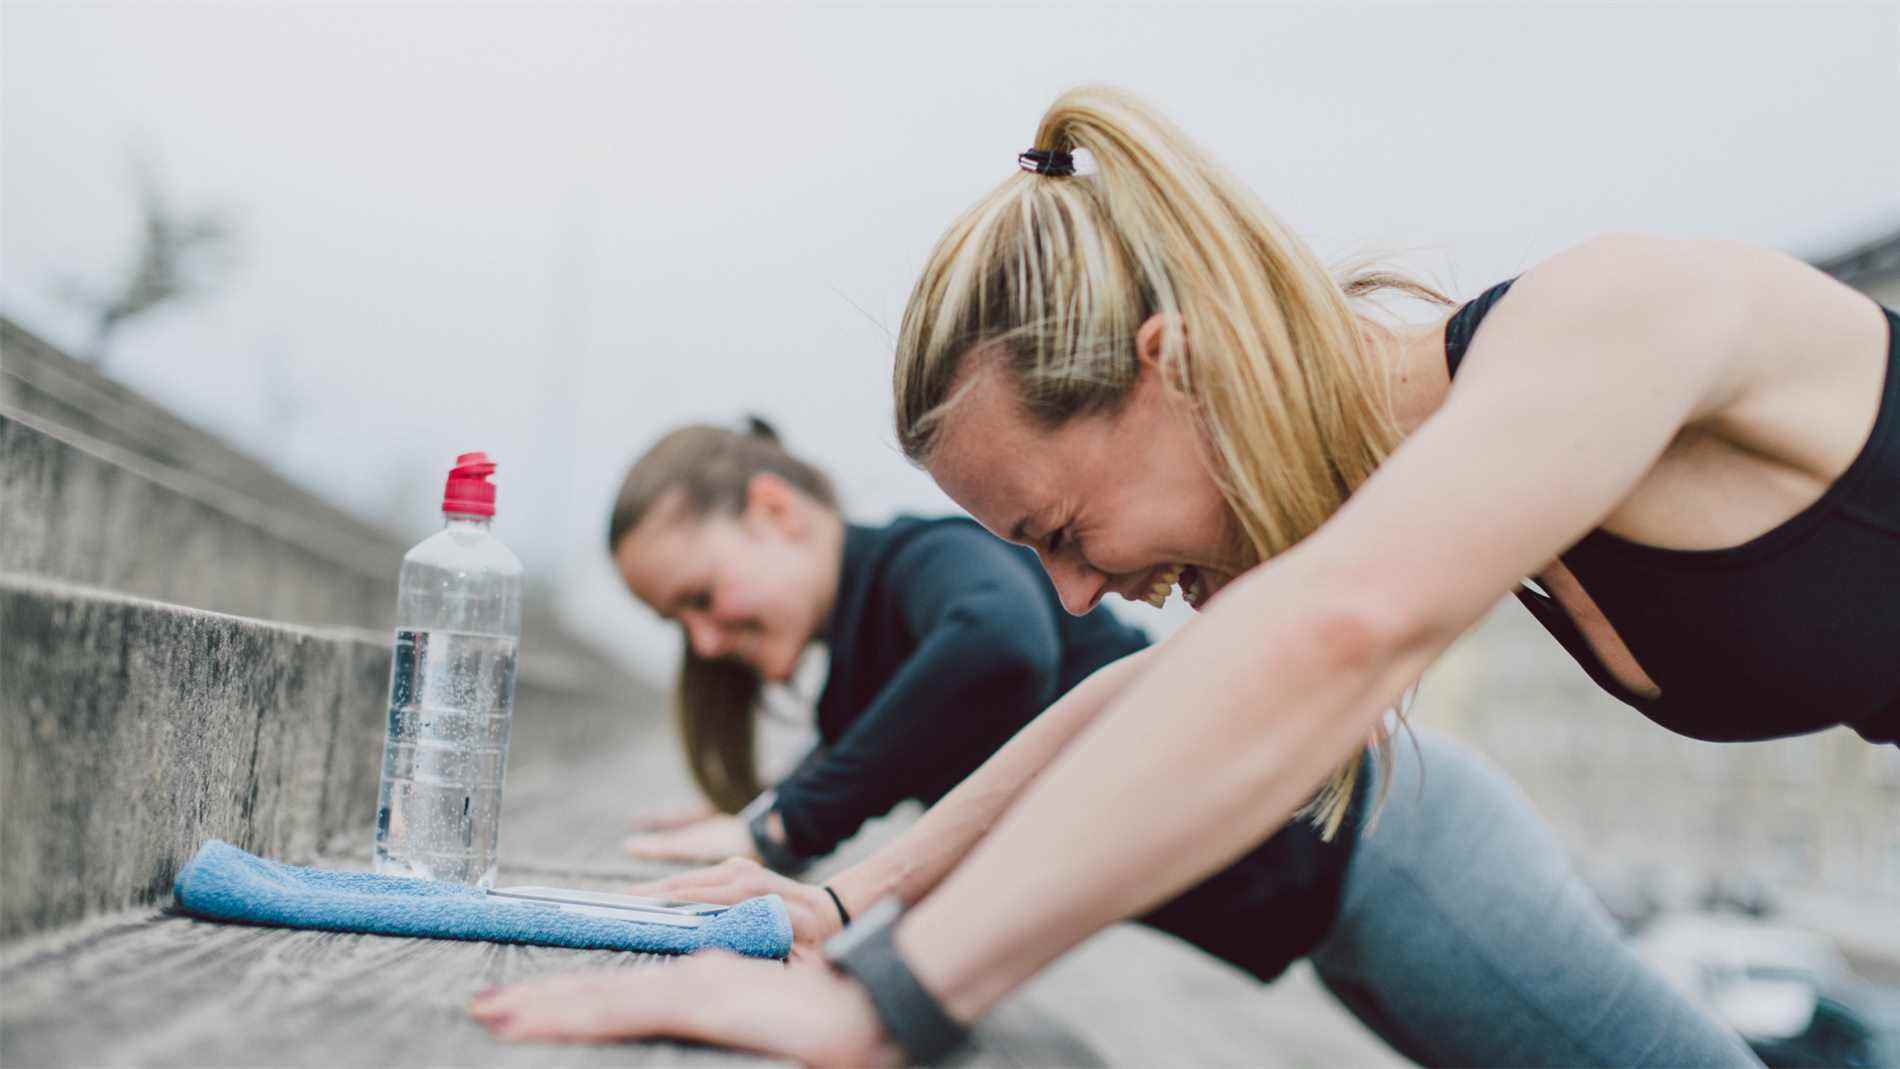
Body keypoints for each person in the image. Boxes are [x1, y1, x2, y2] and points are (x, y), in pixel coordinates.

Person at [472, 83, 1900, 1062]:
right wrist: (846, 903)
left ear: (1170, 366)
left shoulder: (1616, 318)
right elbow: (1147, 699)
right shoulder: (1423, 476)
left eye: (1060, 533)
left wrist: (883, 1005)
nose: (1075, 596)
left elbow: (1340, 630)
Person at [472, 417, 1761, 1066]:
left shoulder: (921, 568)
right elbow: (1053, 770)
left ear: (776, 512)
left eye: (702, 595)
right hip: (1337, 928)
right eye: (672, 623)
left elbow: (1005, 651)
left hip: (1399, 859)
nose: (700, 640)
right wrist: (820, 901)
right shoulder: (865, 671)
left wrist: (788, 829)